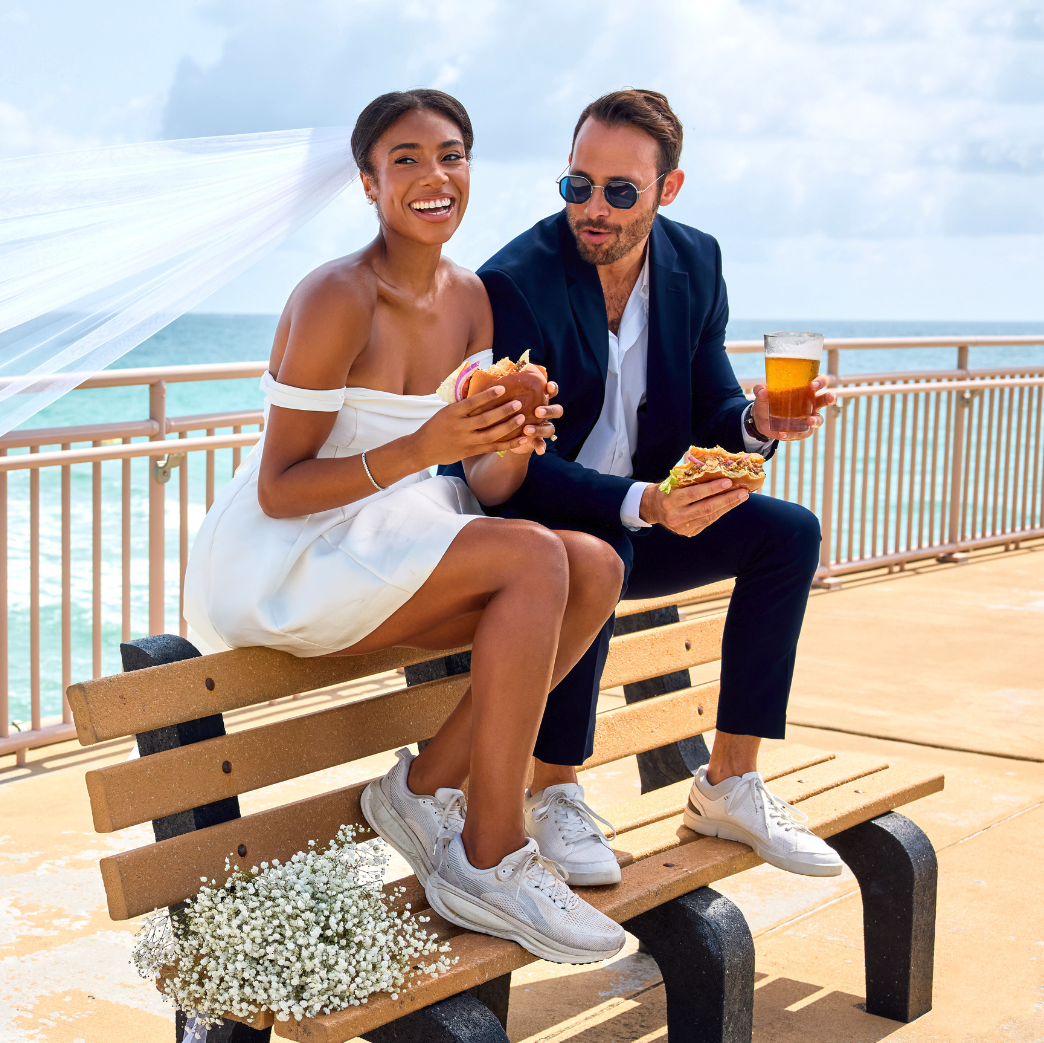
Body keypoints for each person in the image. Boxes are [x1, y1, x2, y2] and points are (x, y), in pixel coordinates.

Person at [182, 90, 629, 965]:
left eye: (452, 155)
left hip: (393, 529)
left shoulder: (472, 301)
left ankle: (423, 789)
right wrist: (429, 441)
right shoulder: (336, 298)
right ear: (368, 183)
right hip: (291, 554)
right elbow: (279, 488)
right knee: (539, 558)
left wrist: (510, 434)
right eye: (408, 160)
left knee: (597, 565)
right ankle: (490, 854)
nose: (436, 177)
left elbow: (489, 486)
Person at [474, 89, 843, 886]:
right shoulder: (514, 281)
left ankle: (729, 784)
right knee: (597, 548)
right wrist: (641, 504)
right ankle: (556, 790)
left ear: (667, 190)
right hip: (539, 529)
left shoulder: (695, 260)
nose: (592, 209)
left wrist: (755, 426)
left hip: (645, 517)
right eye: (577, 185)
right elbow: (508, 470)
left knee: (790, 534)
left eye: (619, 190)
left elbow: (711, 405)